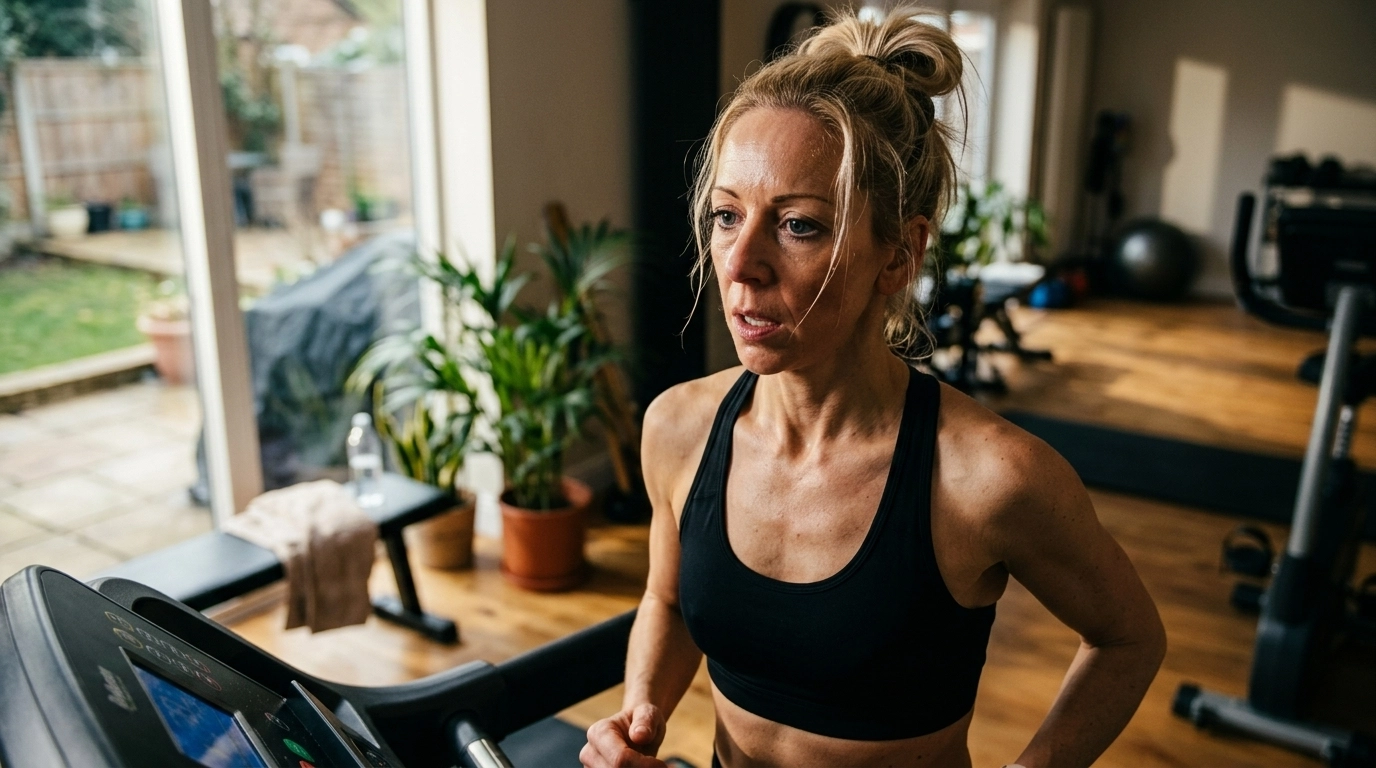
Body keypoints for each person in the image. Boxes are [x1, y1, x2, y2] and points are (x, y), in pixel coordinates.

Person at [581, 9, 1166, 768]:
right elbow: (667, 603)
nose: (741, 264)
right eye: (727, 215)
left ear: (898, 256)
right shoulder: (679, 428)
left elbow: (1128, 637)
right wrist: (639, 717)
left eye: (798, 225)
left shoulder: (987, 478)